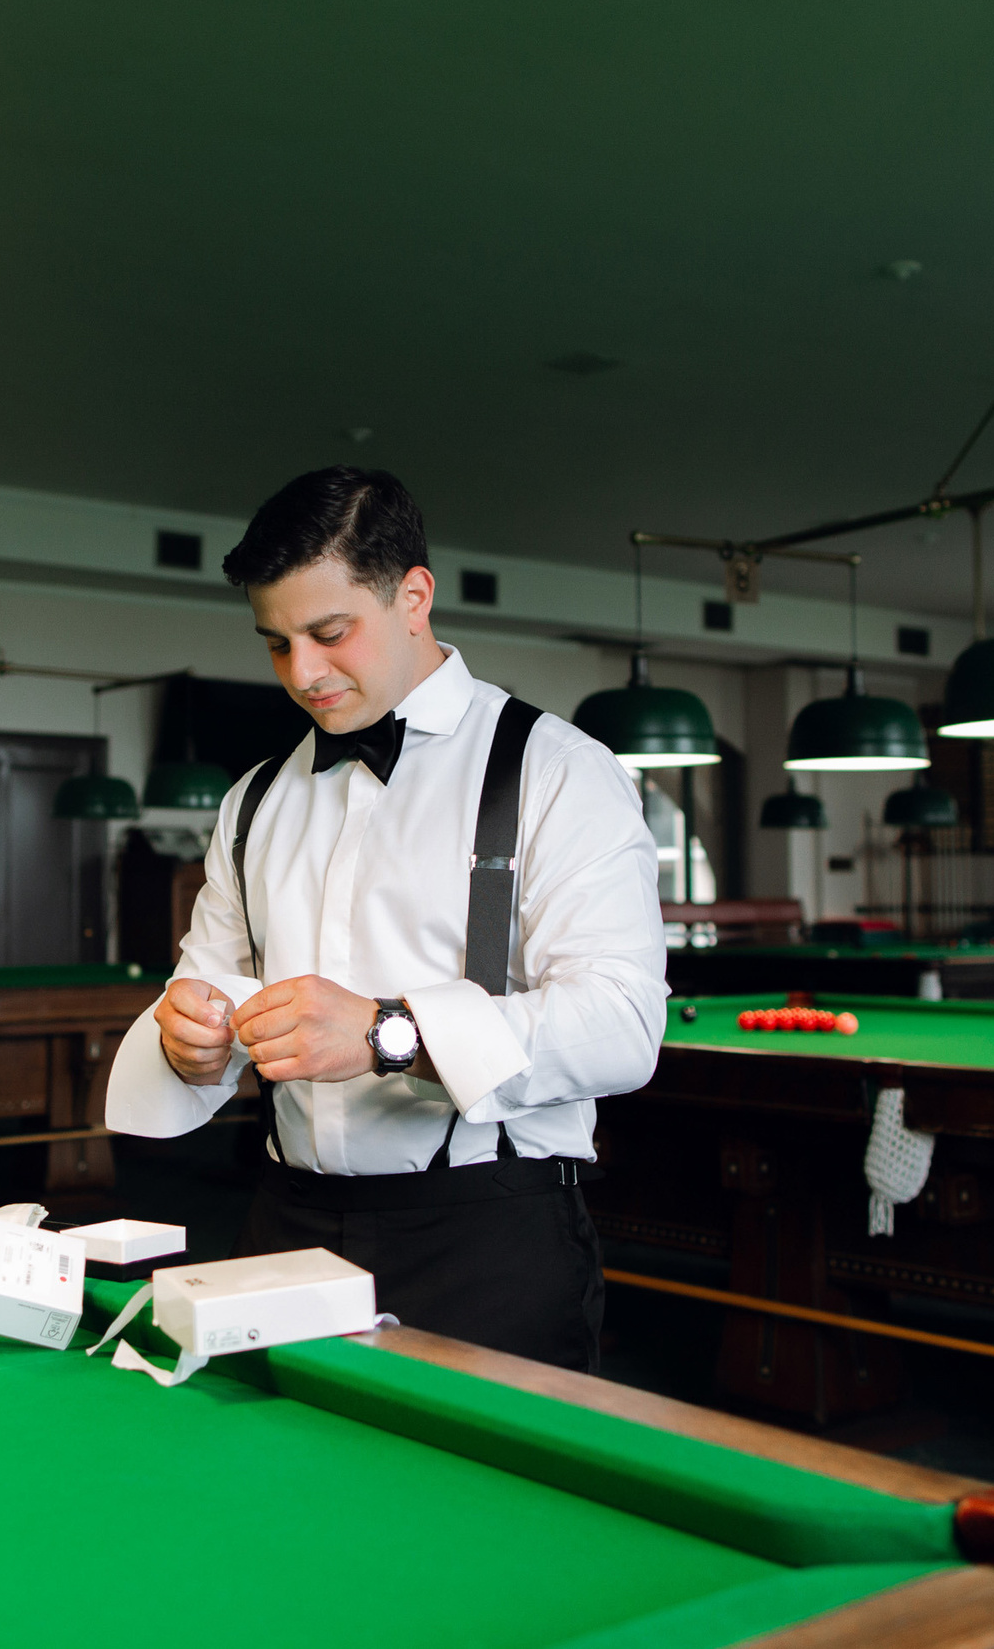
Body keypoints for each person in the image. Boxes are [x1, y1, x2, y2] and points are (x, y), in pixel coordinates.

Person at [104, 465, 665, 1371]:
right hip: (282, 1226)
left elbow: (623, 1027)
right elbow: (200, 994)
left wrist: (382, 1033)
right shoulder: (252, 801)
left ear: (414, 597)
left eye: (330, 634)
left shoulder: (560, 770)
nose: (303, 673)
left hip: (489, 1235)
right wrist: (191, 1044)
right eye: (277, 643)